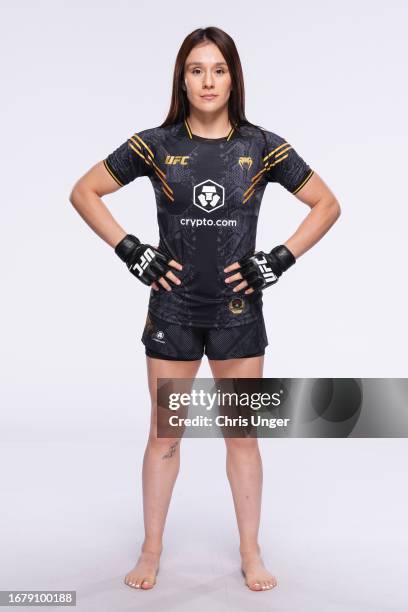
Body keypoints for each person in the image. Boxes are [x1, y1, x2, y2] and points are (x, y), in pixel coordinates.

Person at [69, 26, 341, 593]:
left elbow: (326, 203)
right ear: (182, 78)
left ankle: (250, 552)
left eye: (218, 69)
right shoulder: (154, 144)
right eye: (196, 70)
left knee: (241, 436)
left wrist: (279, 260)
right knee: (166, 435)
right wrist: (131, 250)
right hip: (171, 311)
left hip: (240, 314)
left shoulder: (261, 146)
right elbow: (84, 191)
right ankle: (150, 551)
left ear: (234, 77)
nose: (208, 80)